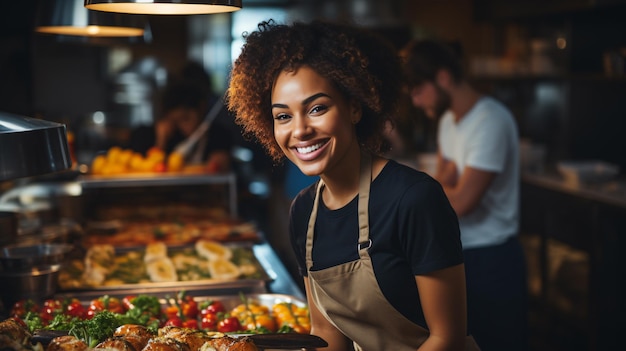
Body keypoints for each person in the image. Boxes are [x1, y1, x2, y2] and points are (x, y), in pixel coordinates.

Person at [227, 20, 480, 351]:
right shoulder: (303, 212)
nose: (300, 130)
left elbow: (446, 338)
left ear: (355, 107)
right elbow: (327, 333)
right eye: (283, 116)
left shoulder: (414, 199)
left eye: (317, 108)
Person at [402, 39, 528, 351]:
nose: (416, 101)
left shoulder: (490, 121)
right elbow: (442, 184)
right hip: (458, 253)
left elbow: (461, 202)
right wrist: (445, 185)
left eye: (418, 90)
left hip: (493, 258)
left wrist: (444, 186)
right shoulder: (447, 121)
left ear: (443, 78)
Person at [129, 62, 233, 172]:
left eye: (186, 118)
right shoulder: (167, 135)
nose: (184, 126)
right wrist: (161, 141)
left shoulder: (219, 135)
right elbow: (150, 171)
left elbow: (220, 178)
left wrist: (219, 166)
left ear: (201, 108)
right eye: (176, 121)